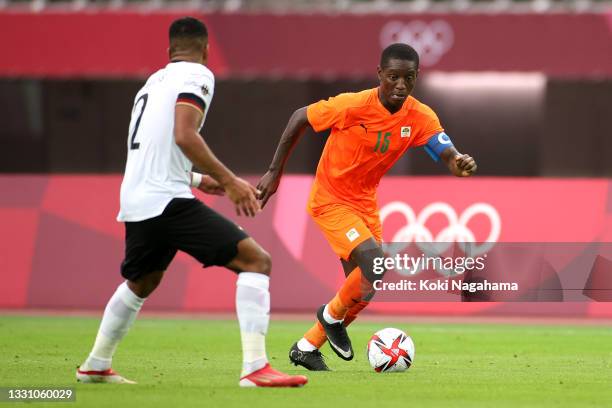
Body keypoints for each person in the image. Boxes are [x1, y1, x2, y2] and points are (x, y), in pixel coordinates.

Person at [76, 17, 307, 388]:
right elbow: (184, 135)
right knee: (256, 261)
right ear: (207, 49)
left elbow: (154, 148)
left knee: (142, 280)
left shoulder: (152, 83)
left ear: (169, 51)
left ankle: (95, 364)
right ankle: (256, 368)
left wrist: (200, 180)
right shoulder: (198, 76)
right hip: (166, 201)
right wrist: (231, 182)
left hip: (138, 198)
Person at [257, 43, 477, 371]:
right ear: (379, 75)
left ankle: (305, 347)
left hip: (365, 203)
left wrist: (457, 161)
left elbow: (443, 147)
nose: (401, 85)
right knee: (375, 265)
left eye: (409, 78)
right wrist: (275, 172)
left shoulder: (419, 115)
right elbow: (299, 117)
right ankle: (328, 317)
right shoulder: (353, 105)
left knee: (365, 289)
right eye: (393, 77)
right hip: (330, 199)